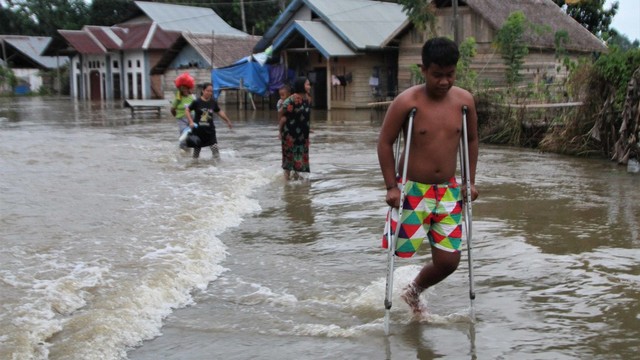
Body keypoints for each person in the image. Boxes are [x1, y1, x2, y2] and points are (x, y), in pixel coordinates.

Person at [377, 37, 479, 315]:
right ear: (423, 69)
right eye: (437, 75)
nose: (444, 81)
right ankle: (390, 297)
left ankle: (413, 290)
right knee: (400, 251)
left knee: (449, 262)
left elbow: (470, 141)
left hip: (448, 192)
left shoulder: (464, 102)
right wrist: (391, 187)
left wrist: (470, 181)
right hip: (412, 191)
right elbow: (385, 142)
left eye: (450, 75)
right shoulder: (407, 102)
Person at [185, 82, 233, 159]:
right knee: (196, 155)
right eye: (208, 91)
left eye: (211, 91)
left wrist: (227, 121)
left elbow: (219, 112)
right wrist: (190, 121)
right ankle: (194, 168)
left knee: (215, 152)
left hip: (210, 131)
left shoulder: (213, 102)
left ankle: (216, 168)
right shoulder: (196, 102)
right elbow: (187, 110)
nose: (209, 93)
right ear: (203, 91)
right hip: (198, 132)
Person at [278, 77, 312, 180]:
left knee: (299, 155)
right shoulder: (292, 99)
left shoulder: (308, 99)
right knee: (289, 157)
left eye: (309, 84)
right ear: (301, 85)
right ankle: (286, 180)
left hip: (302, 134)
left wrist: (308, 127)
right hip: (290, 133)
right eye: (307, 84)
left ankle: (296, 177)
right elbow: (281, 112)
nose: (309, 86)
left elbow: (305, 116)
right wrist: (280, 130)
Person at [171, 72, 196, 152]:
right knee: (183, 133)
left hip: (191, 119)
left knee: (190, 135)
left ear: (189, 88)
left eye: (186, 88)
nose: (184, 90)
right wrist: (177, 116)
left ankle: (189, 149)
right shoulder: (178, 98)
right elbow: (172, 109)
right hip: (181, 119)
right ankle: (182, 149)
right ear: (180, 90)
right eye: (183, 89)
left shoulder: (192, 97)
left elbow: (197, 107)